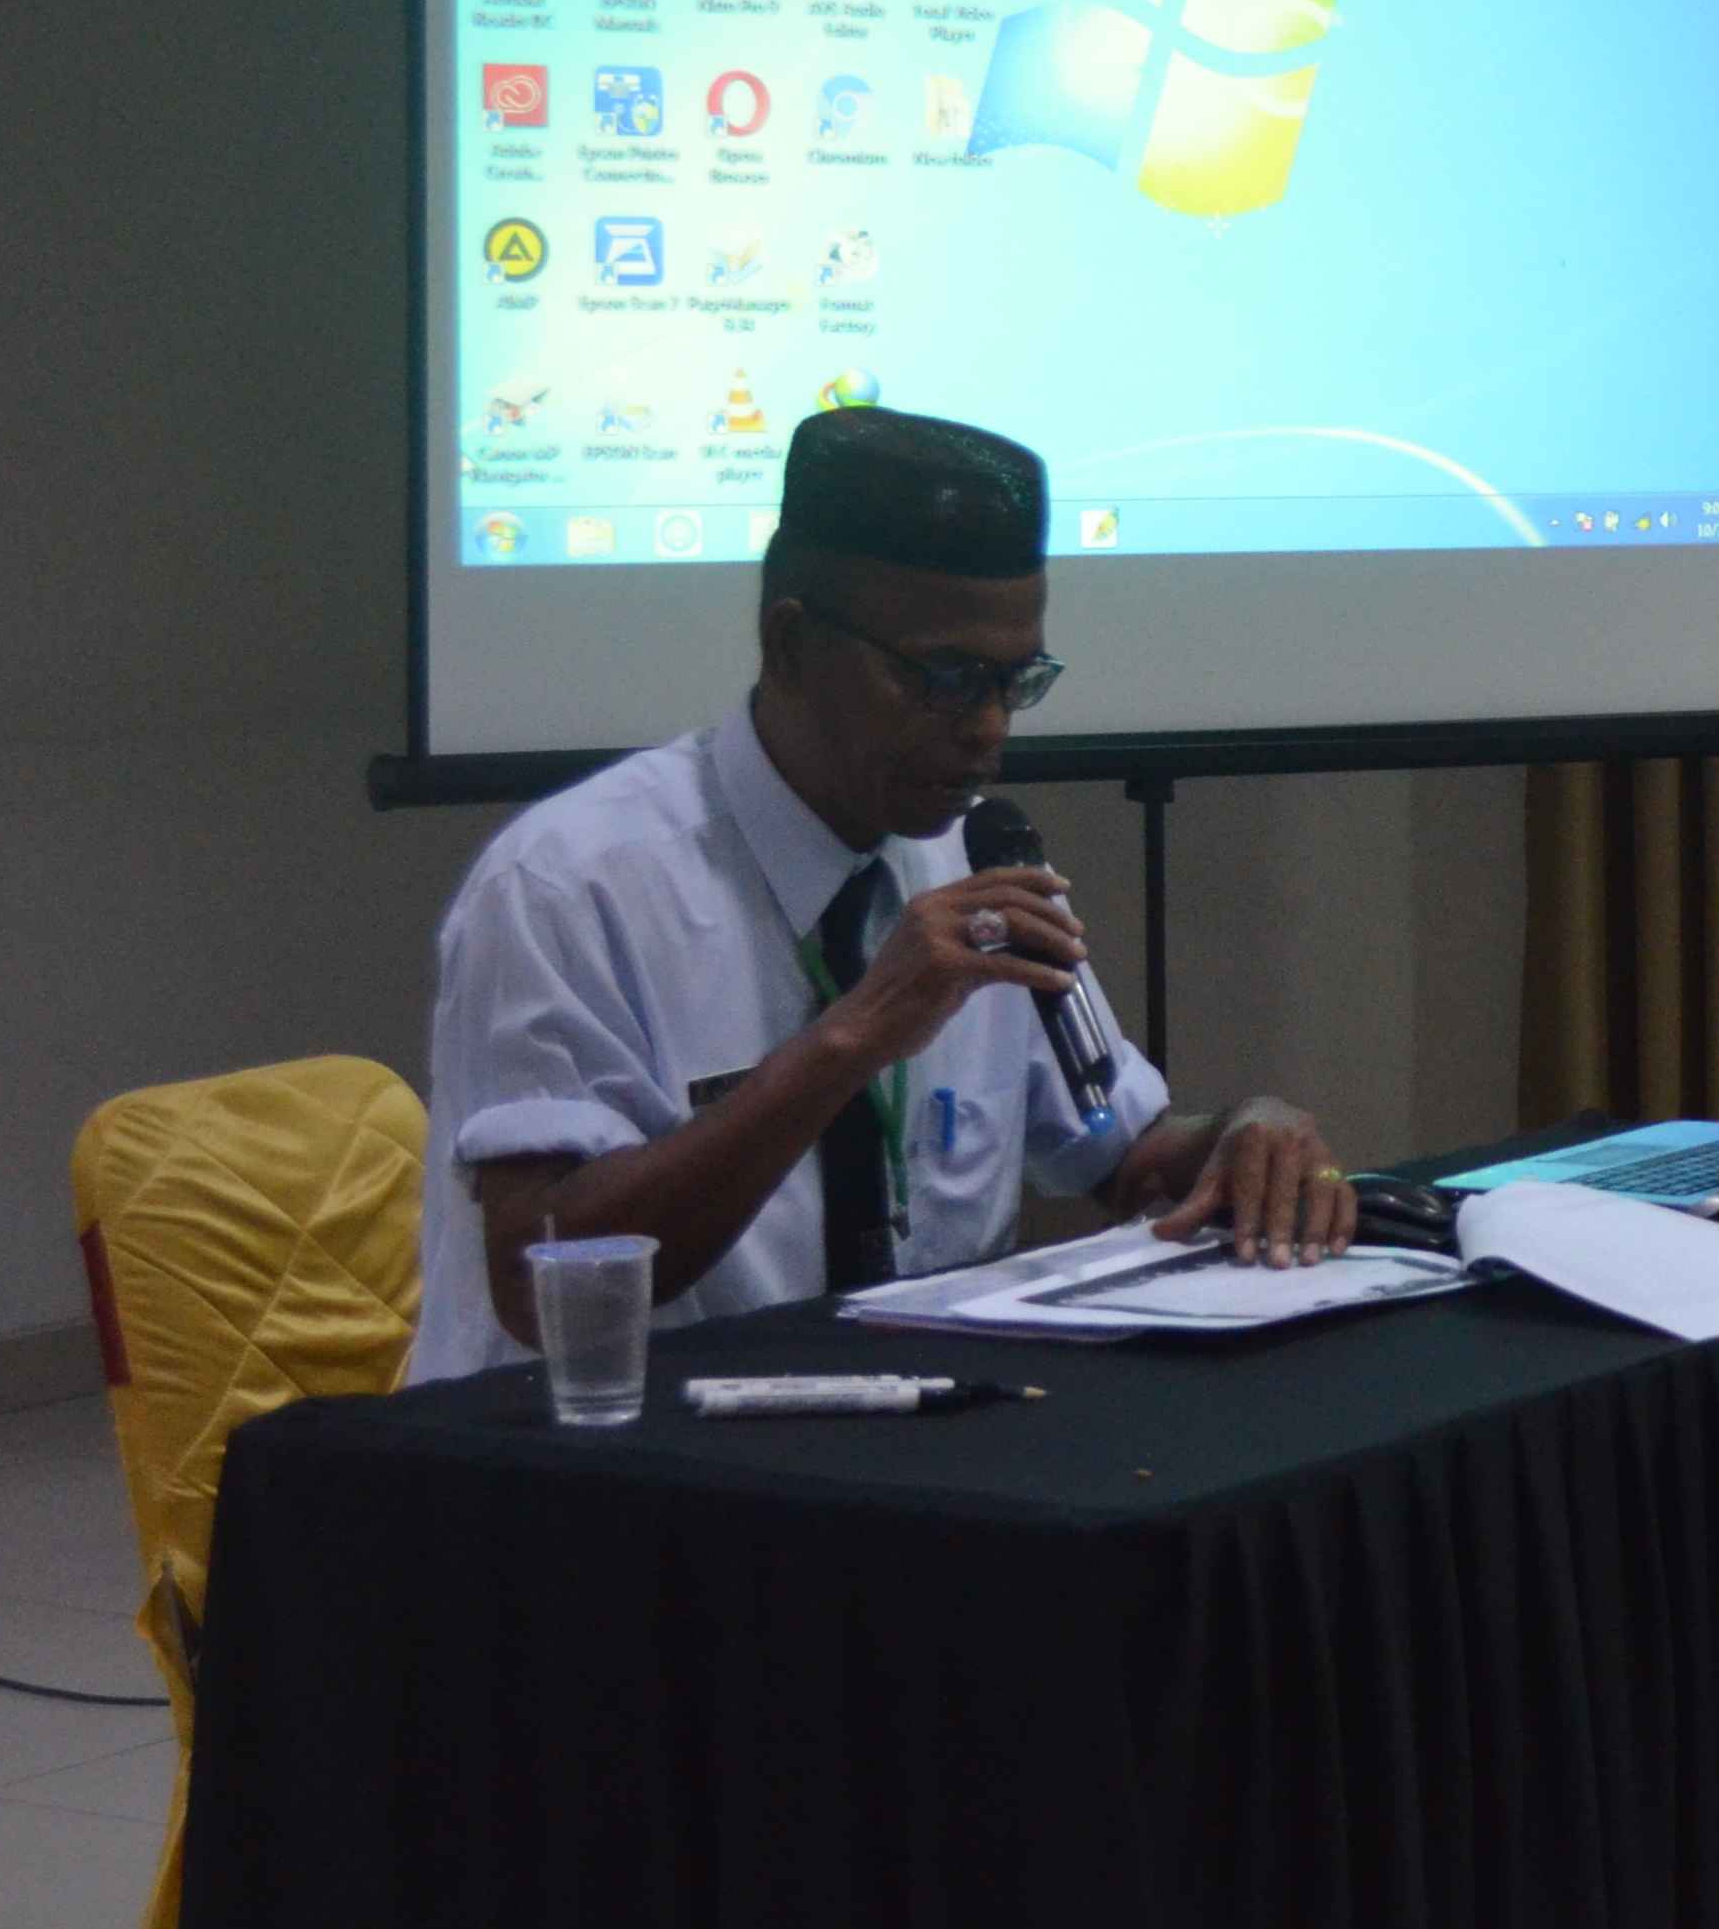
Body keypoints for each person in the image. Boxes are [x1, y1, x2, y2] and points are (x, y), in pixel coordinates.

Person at [408, 406, 1353, 1382]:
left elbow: (1121, 1152)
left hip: (898, 1440)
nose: (987, 728)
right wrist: (854, 1037)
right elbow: (540, 1284)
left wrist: (1241, 1135)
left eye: (1014, 681)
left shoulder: (971, 861)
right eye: (944, 678)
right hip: (591, 1451)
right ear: (790, 645)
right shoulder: (569, 883)